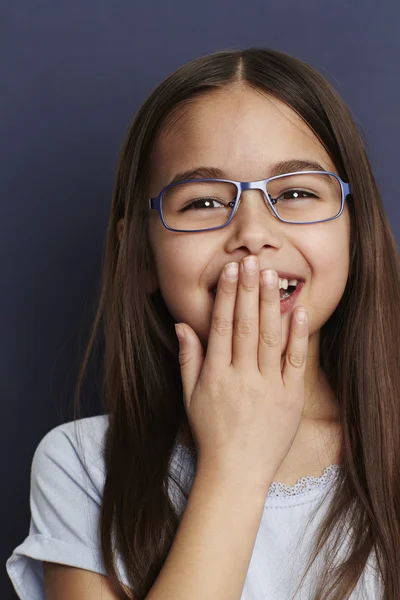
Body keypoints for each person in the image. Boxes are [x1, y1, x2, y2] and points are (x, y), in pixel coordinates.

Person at [6, 47, 400, 600]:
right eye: (204, 203)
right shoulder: (82, 465)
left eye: (296, 193)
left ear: (355, 233)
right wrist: (236, 462)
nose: (253, 232)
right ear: (140, 255)